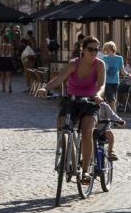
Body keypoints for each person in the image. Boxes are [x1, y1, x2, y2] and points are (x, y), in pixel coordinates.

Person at [37, 35, 106, 184]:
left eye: (96, 49)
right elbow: (59, 79)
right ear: (83, 49)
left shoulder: (100, 65)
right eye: (91, 49)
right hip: (72, 100)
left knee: (87, 131)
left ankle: (86, 171)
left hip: (90, 102)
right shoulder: (74, 64)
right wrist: (45, 87)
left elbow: (102, 85)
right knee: (62, 127)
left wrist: (98, 95)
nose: (94, 52)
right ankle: (70, 159)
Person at [100, 41, 127, 107]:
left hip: (115, 82)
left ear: (112, 49)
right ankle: (113, 114)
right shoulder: (104, 58)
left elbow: (122, 71)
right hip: (107, 82)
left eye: (106, 49)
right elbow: (102, 71)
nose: (106, 50)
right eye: (105, 49)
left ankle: (109, 114)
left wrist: (128, 74)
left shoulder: (120, 58)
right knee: (112, 99)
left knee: (111, 99)